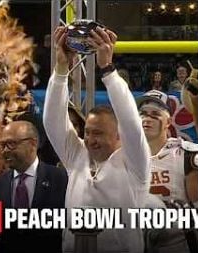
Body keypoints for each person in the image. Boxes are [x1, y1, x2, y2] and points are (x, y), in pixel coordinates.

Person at [43, 26, 150, 253]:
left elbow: (131, 123)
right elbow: (52, 122)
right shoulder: (77, 157)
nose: (90, 139)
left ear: (118, 135)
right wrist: (61, 69)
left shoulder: (135, 164)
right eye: (88, 132)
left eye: (98, 133)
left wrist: (108, 71)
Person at [0, 121, 67, 253]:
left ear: (32, 144)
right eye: (2, 145)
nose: (5, 151)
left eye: (11, 144)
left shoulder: (61, 179)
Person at [137, 90, 198, 253]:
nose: (147, 119)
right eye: (143, 114)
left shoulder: (186, 154)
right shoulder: (123, 157)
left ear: (168, 121)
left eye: (155, 114)